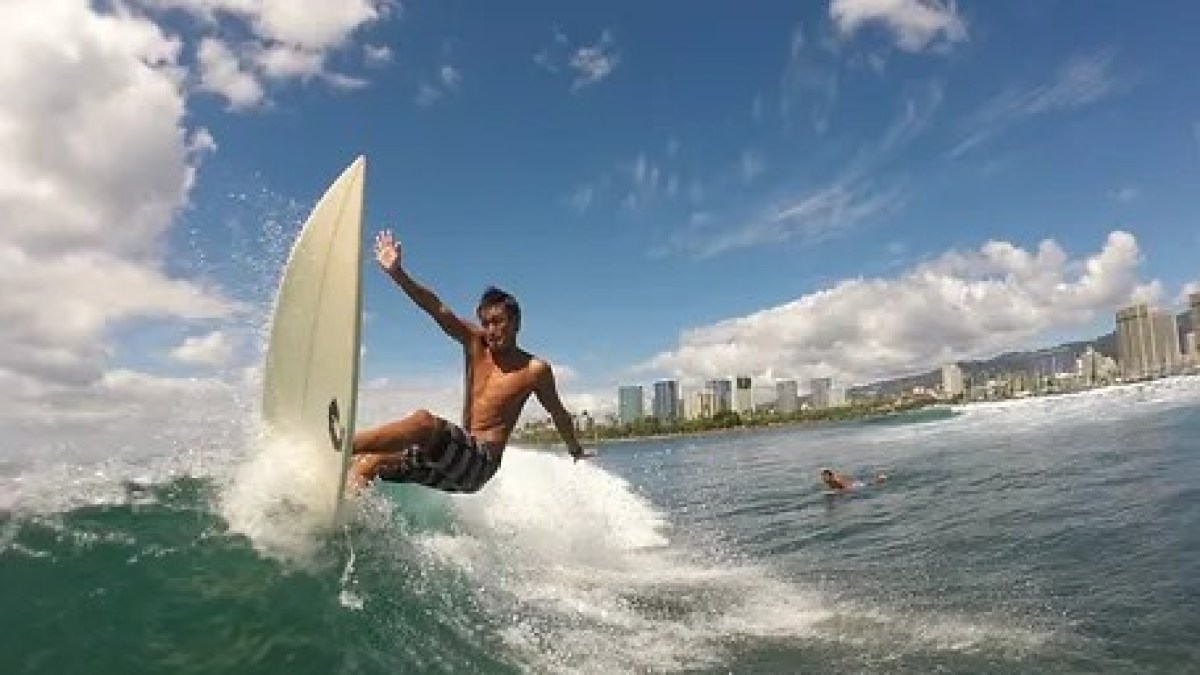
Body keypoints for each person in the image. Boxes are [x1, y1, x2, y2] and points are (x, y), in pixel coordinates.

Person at [350, 229, 593, 493]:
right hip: (452, 459)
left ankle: (341, 443)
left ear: (516, 323)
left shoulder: (535, 370)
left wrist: (575, 450)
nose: (491, 330)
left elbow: (558, 413)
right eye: (486, 323)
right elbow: (436, 308)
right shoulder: (475, 343)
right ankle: (340, 515)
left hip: (480, 464)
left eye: (498, 322)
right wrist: (397, 273)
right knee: (370, 462)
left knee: (423, 422)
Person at [820, 467, 886, 492]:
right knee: (868, 484)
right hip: (853, 484)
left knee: (869, 485)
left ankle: (880, 479)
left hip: (854, 486)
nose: (823, 477)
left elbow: (844, 487)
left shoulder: (834, 480)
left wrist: (839, 493)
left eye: (824, 475)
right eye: (822, 475)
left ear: (829, 475)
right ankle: (879, 479)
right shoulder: (830, 480)